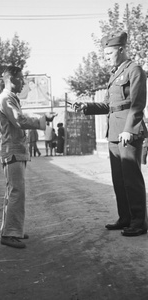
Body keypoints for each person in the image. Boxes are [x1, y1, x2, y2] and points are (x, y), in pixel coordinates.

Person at [73, 32, 148, 237]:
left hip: (127, 131)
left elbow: (137, 104)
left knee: (131, 178)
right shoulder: (115, 74)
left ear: (121, 49)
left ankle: (139, 222)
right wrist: (86, 106)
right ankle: (125, 218)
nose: (106, 58)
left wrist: (128, 129)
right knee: (119, 179)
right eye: (104, 54)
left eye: (109, 53)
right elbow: (108, 105)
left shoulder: (135, 70)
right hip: (114, 132)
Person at [0, 66, 56, 248]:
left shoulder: (10, 98)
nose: (23, 82)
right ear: (11, 80)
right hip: (12, 151)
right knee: (16, 192)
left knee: (14, 191)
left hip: (15, 150)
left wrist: (43, 117)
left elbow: (20, 118)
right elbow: (19, 121)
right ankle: (9, 234)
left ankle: (13, 230)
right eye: (21, 79)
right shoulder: (7, 98)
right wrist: (42, 121)